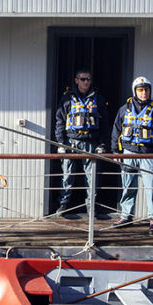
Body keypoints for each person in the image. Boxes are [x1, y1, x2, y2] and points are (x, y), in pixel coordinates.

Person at [111, 76, 153, 235]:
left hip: (149, 154)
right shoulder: (124, 109)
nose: (144, 93)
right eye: (140, 90)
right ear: (135, 91)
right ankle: (126, 216)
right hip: (129, 153)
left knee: (151, 187)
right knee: (128, 186)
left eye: (146, 89)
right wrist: (116, 152)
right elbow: (116, 131)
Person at [54, 69, 109, 217]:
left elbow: (104, 124)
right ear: (76, 80)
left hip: (91, 142)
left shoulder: (98, 99)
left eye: (89, 79)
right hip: (70, 143)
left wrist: (101, 144)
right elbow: (60, 121)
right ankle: (63, 204)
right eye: (83, 79)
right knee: (67, 175)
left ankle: (91, 207)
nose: (86, 82)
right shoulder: (66, 98)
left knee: (91, 177)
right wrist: (60, 143)